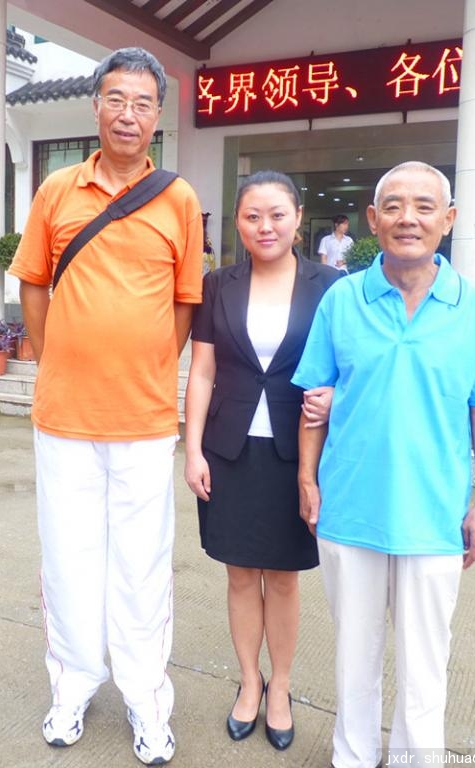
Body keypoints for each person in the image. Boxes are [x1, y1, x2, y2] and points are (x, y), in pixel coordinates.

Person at [292, 161, 475, 768]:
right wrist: (306, 479)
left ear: (448, 220)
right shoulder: (342, 300)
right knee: (354, 657)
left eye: (425, 206)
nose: (408, 218)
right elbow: (314, 401)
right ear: (372, 220)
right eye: (393, 206)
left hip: (434, 515)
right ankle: (352, 756)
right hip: (351, 509)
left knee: (425, 664)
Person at [8, 47, 203, 765]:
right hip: (64, 416)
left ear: (158, 116)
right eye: (116, 99)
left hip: (144, 421)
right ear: (96, 106)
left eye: (142, 103)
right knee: (68, 559)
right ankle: (73, 686)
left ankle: (147, 699)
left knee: (142, 566)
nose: (128, 114)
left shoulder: (179, 200)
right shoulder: (57, 190)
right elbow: (33, 283)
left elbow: (184, 302)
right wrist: (57, 354)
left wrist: (146, 366)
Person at [184, 170, 340, 751]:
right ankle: (250, 682)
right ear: (238, 223)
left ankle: (283, 687)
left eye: (277, 214)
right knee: (241, 573)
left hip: (297, 452)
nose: (265, 226)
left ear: (298, 219)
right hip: (228, 449)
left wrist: (337, 397)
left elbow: (351, 364)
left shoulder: (332, 286)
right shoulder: (217, 285)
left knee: (284, 576)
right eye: (252, 216)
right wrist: (192, 449)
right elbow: (202, 371)